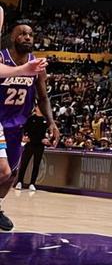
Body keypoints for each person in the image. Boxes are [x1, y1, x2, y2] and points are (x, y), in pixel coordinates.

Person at [0, 24, 58, 231]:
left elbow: (43, 98)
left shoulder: (36, 65)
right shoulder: (2, 58)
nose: (27, 37)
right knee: (3, 171)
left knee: (11, 175)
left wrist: (51, 122)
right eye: (22, 34)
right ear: (12, 37)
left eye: (31, 35)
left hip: (16, 127)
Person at [15, 106, 51, 191]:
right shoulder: (30, 118)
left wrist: (48, 139)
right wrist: (24, 136)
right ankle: (19, 181)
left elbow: (50, 133)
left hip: (40, 145)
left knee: (36, 164)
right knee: (24, 163)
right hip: (30, 144)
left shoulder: (46, 120)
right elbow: (24, 129)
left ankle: (32, 183)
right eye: (38, 106)